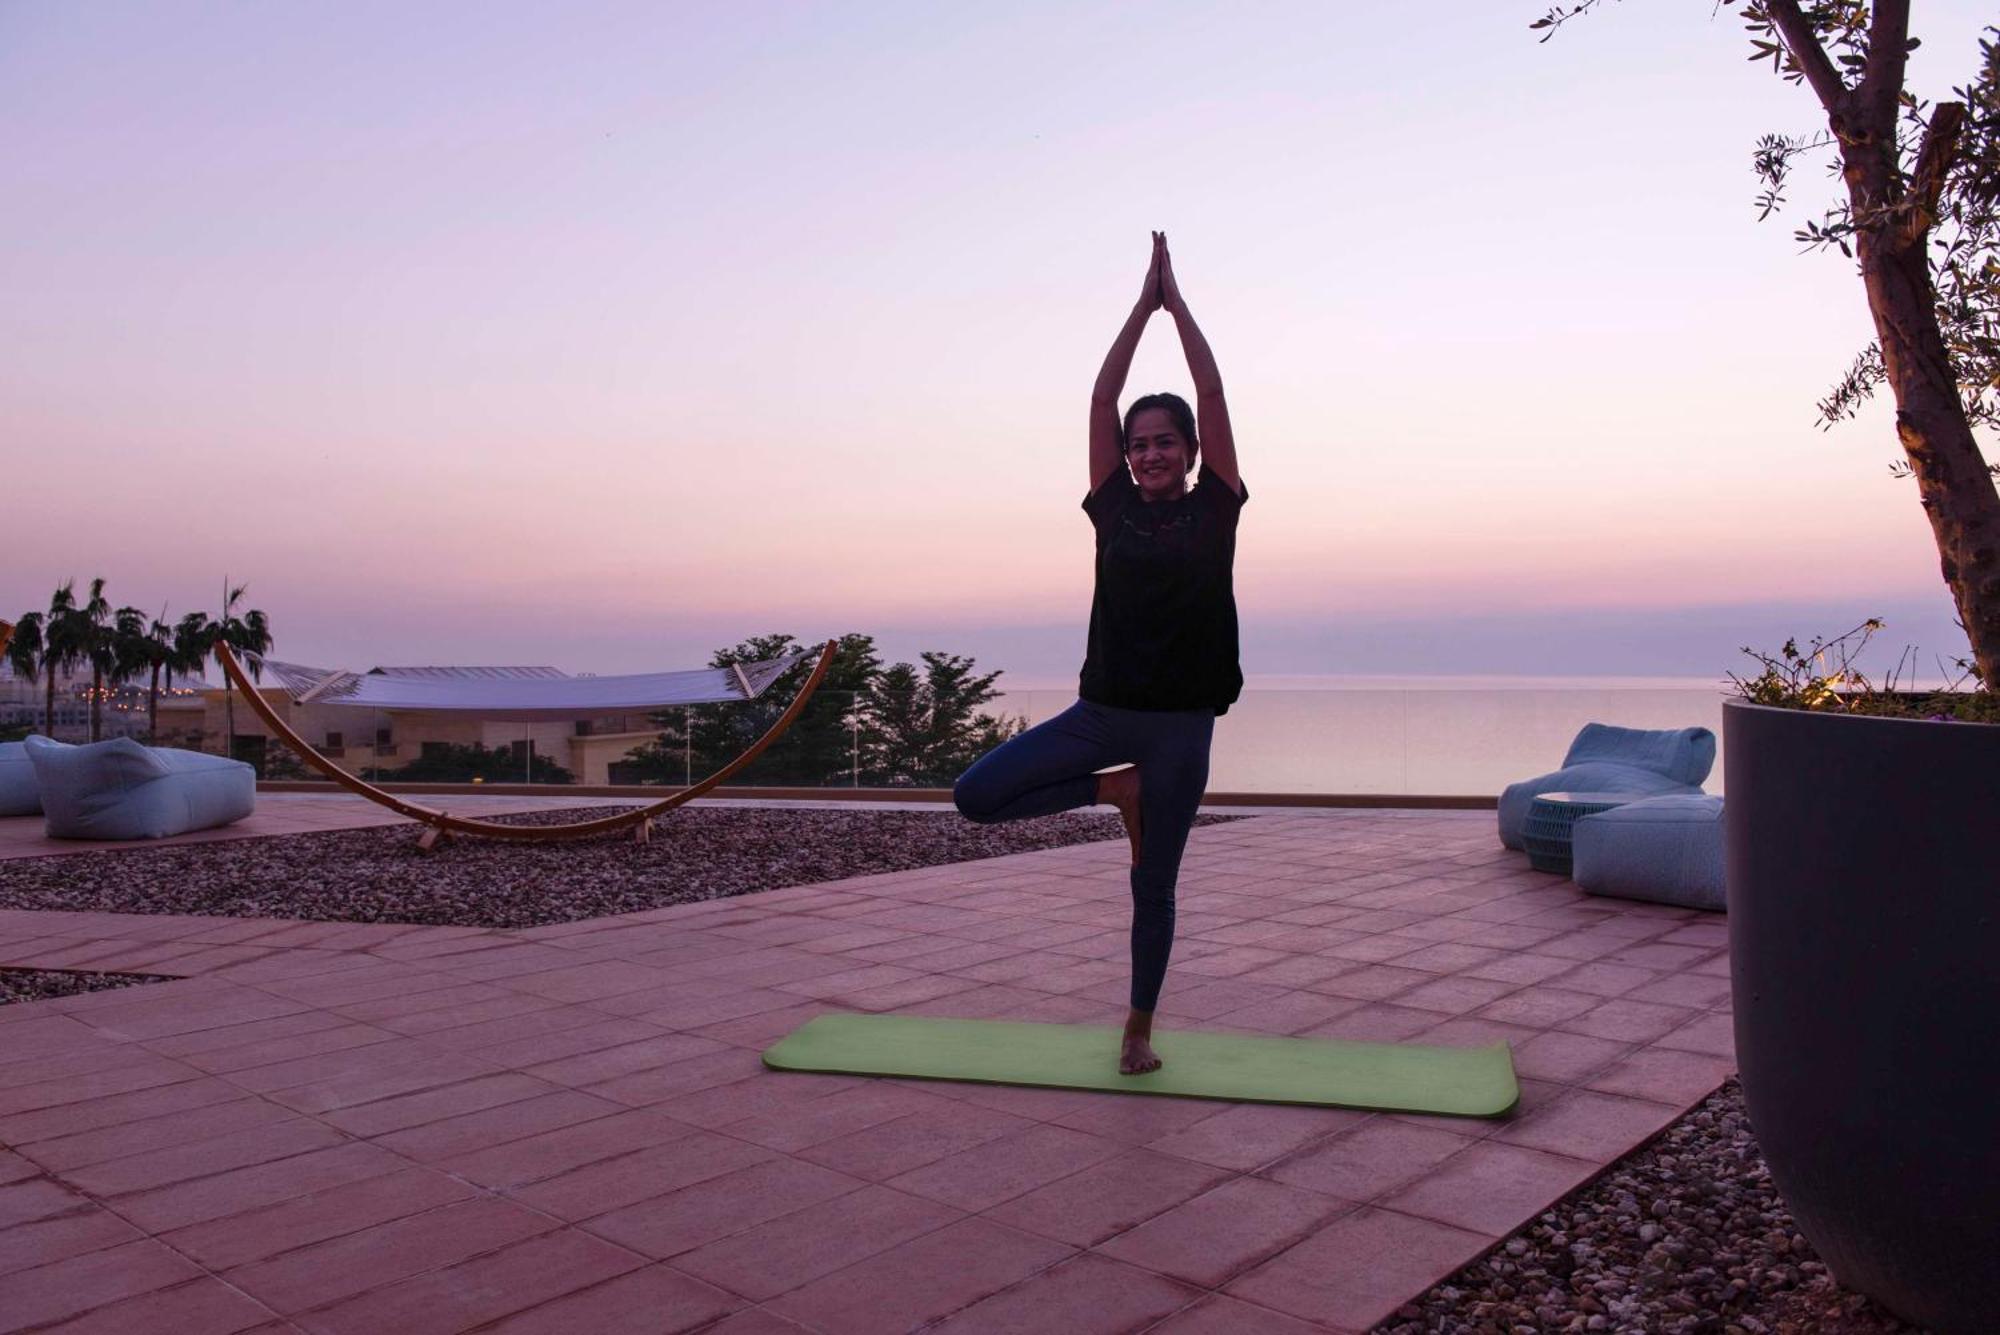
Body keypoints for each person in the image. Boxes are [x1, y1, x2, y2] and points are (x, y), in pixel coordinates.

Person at [953, 231, 1246, 1076]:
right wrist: (1137, 306)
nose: (1150, 451)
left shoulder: (1217, 509)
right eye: (1138, 442)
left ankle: (1137, 1030)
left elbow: (1213, 388)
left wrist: (1177, 305)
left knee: (1153, 887)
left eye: (1166, 441)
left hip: (1182, 727)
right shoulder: (1112, 508)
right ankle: (1111, 790)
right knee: (977, 795)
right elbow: (1099, 396)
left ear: (1191, 452)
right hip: (1104, 713)